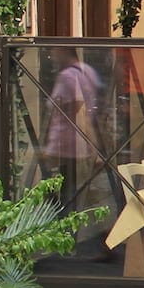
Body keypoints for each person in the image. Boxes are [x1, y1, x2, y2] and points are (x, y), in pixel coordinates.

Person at [42, 46, 104, 211]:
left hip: (64, 142)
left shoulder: (67, 76)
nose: (52, 55)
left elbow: (75, 105)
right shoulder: (87, 71)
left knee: (60, 187)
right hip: (80, 141)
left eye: (54, 51)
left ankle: (61, 226)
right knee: (72, 186)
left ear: (63, 51)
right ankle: (70, 222)